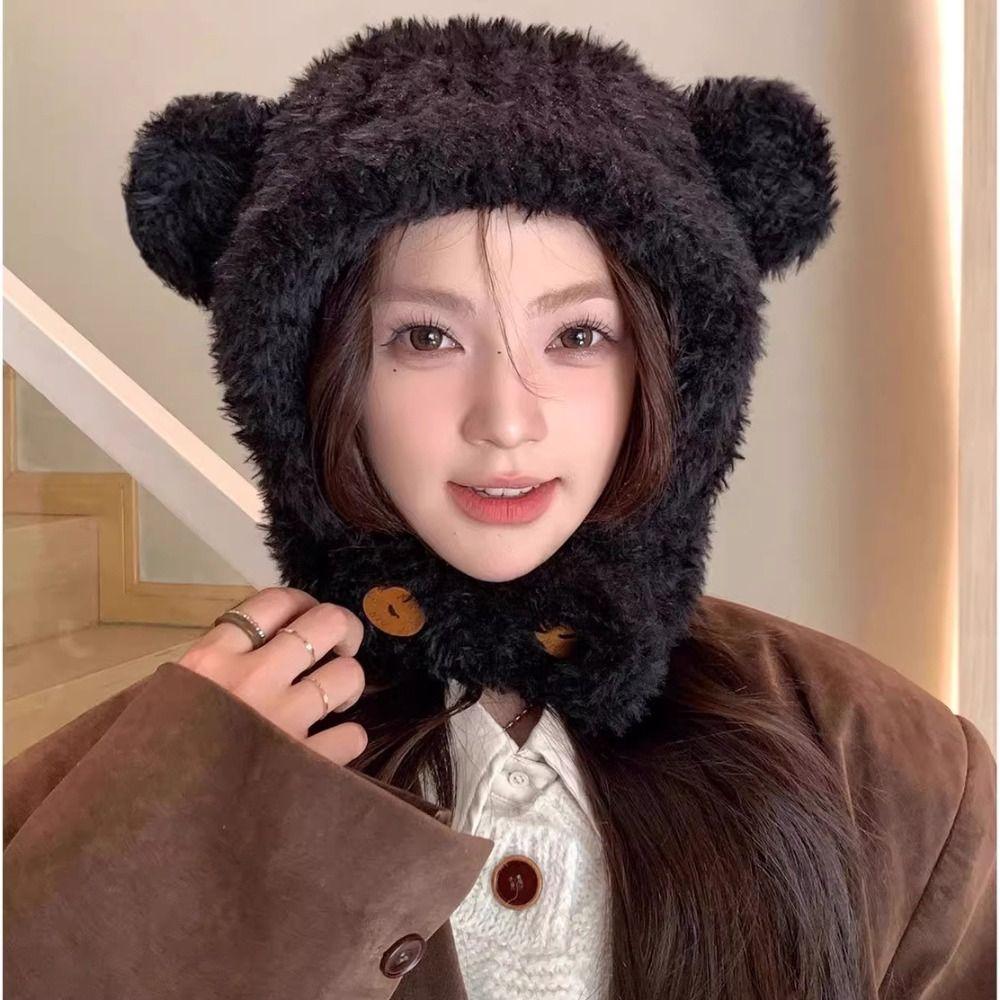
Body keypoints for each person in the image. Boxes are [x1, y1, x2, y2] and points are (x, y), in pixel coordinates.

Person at [4, 14, 995, 1000]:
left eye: (578, 336)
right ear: (312, 373)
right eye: (426, 337)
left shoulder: (894, 770)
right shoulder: (146, 777)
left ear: (672, 369)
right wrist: (164, 845)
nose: (506, 420)